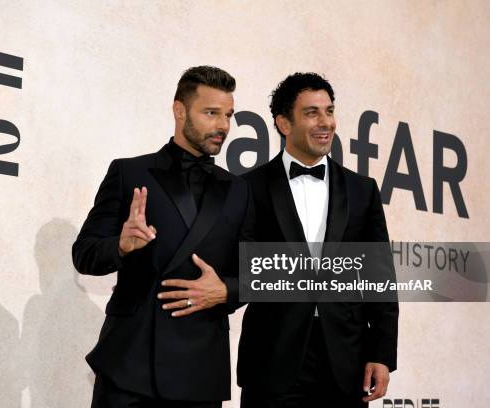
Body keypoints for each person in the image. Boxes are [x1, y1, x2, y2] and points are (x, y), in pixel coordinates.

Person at [72, 65, 254, 408]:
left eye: (228, 115)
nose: (223, 126)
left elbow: (255, 272)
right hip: (130, 364)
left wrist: (225, 290)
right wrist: (121, 246)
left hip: (200, 369)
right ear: (179, 110)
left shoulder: (239, 190)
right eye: (211, 113)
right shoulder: (129, 172)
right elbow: (84, 254)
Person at [237, 72, 398, 407]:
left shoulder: (362, 190)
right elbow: (241, 268)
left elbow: (380, 278)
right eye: (312, 113)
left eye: (329, 111)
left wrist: (381, 354)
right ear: (284, 123)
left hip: (345, 359)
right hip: (272, 359)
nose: (326, 122)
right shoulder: (248, 188)